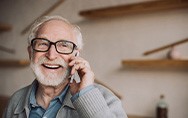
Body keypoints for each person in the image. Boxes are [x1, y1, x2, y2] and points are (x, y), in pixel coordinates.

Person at [3, 15, 127, 118]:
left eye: (63, 45)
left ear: (76, 55)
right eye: (42, 44)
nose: (51, 55)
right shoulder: (16, 100)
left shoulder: (107, 100)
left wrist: (86, 96)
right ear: (31, 53)